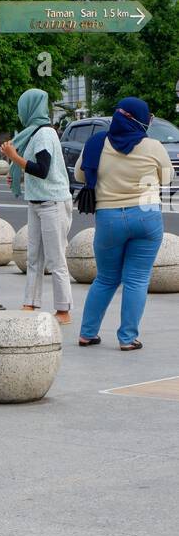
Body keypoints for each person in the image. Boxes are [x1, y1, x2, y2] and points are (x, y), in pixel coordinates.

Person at [74, 97, 172, 350]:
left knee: (106, 279)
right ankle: (127, 339)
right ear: (140, 119)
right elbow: (168, 178)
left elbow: (79, 174)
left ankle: (87, 333)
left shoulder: (96, 143)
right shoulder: (153, 146)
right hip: (146, 215)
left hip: (109, 217)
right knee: (137, 279)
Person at [0, 88, 73, 325]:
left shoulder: (44, 134)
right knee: (34, 257)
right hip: (36, 201)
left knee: (55, 258)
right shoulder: (31, 133)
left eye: (22, 106)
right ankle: (30, 302)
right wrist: (18, 171)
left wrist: (14, 157)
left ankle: (63, 309)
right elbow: (33, 169)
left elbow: (42, 170)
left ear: (30, 108)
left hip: (52, 201)